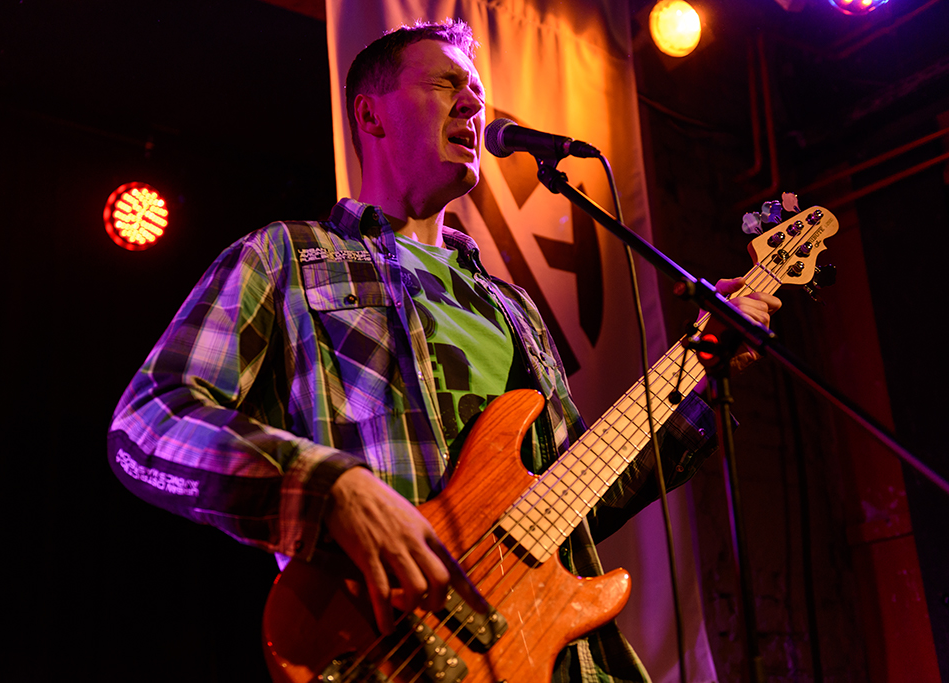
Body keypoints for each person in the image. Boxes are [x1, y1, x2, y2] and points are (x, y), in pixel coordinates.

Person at [107, 19, 780, 683]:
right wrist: (326, 486)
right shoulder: (289, 255)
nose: (472, 105)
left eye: (478, 93)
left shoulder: (512, 307)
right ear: (370, 115)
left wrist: (701, 372)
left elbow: (574, 501)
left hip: (554, 660)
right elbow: (151, 419)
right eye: (445, 85)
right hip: (393, 648)